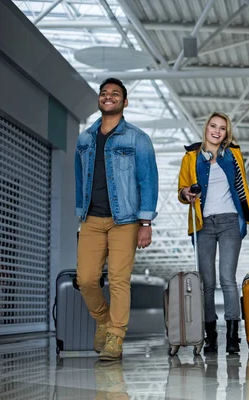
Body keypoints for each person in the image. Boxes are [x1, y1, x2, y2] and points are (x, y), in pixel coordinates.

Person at [75, 77, 158, 361]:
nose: (108, 96)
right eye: (104, 93)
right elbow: (79, 177)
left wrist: (146, 223)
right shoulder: (85, 138)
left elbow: (148, 181)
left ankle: (116, 337)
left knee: (119, 280)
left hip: (125, 219)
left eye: (115, 93)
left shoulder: (137, 138)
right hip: (91, 219)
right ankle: (103, 321)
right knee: (86, 279)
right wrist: (79, 213)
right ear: (99, 100)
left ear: (125, 101)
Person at [178, 112, 249, 354]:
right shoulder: (191, 157)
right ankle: (210, 335)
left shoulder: (233, 155)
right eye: (213, 126)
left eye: (222, 128)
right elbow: (181, 190)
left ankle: (233, 337)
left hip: (230, 220)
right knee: (207, 283)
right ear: (206, 128)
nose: (217, 131)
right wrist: (186, 194)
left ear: (226, 132)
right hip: (203, 224)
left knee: (227, 279)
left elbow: (242, 185)